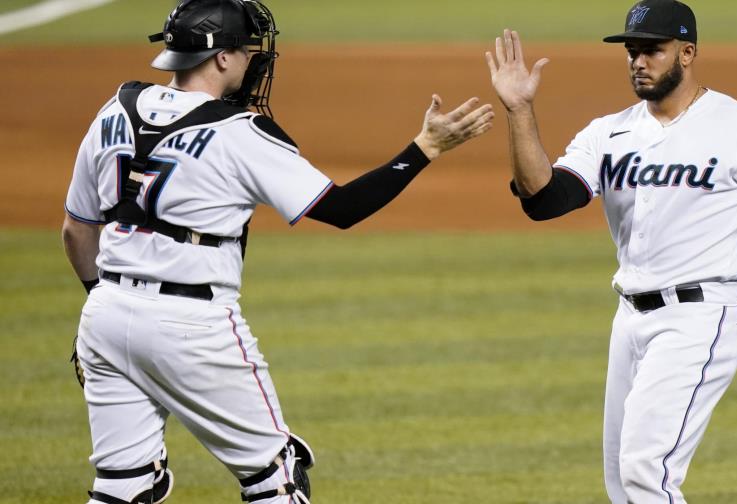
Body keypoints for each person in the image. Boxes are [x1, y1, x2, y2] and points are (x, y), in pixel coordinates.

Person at [62, 1, 493, 502]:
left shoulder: (114, 109)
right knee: (275, 477)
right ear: (222, 58)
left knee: (121, 485)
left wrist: (101, 301)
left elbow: (76, 230)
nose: (254, 60)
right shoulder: (240, 133)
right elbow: (343, 208)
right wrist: (424, 148)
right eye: (247, 49)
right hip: (190, 326)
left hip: (104, 318)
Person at [485, 0, 737, 502]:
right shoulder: (609, 131)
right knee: (622, 483)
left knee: (647, 471)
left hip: (701, 317)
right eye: (632, 51)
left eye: (653, 50)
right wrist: (519, 111)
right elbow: (543, 200)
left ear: (687, 52)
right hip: (629, 321)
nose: (638, 61)